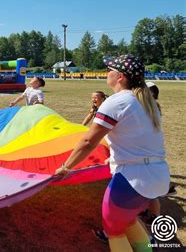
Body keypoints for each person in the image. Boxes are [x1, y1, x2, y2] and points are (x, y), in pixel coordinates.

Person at [54, 54, 170, 252]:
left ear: (120, 77)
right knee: (128, 220)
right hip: (157, 176)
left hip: (132, 179)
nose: (106, 73)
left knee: (114, 230)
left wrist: (66, 167)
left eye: (110, 70)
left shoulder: (117, 101)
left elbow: (89, 141)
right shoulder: (147, 101)